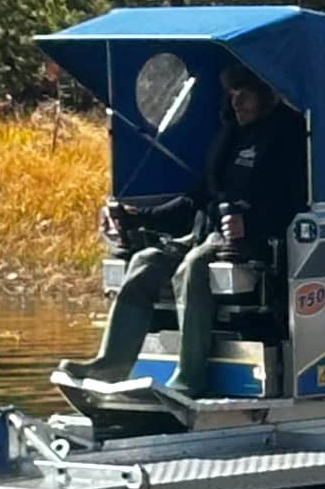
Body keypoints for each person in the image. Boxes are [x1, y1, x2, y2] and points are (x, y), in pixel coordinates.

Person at [56, 63, 308, 402]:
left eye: (244, 94)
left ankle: (190, 377)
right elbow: (195, 199)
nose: (237, 102)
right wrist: (136, 218)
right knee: (146, 260)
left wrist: (252, 222)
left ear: (267, 94)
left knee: (194, 265)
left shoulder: (286, 137)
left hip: (252, 241)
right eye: (233, 95)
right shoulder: (230, 136)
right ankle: (110, 365)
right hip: (205, 233)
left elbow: (294, 201)